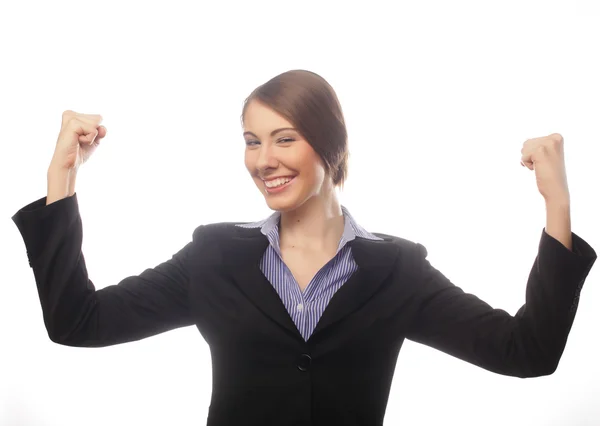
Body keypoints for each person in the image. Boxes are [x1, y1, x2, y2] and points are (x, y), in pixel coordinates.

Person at [11, 69, 597, 426]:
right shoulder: (214, 258)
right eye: (252, 141)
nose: (264, 160)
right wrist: (62, 175)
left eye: (284, 138)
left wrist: (557, 204)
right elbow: (78, 321)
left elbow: (527, 351)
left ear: (330, 147)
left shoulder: (398, 270)